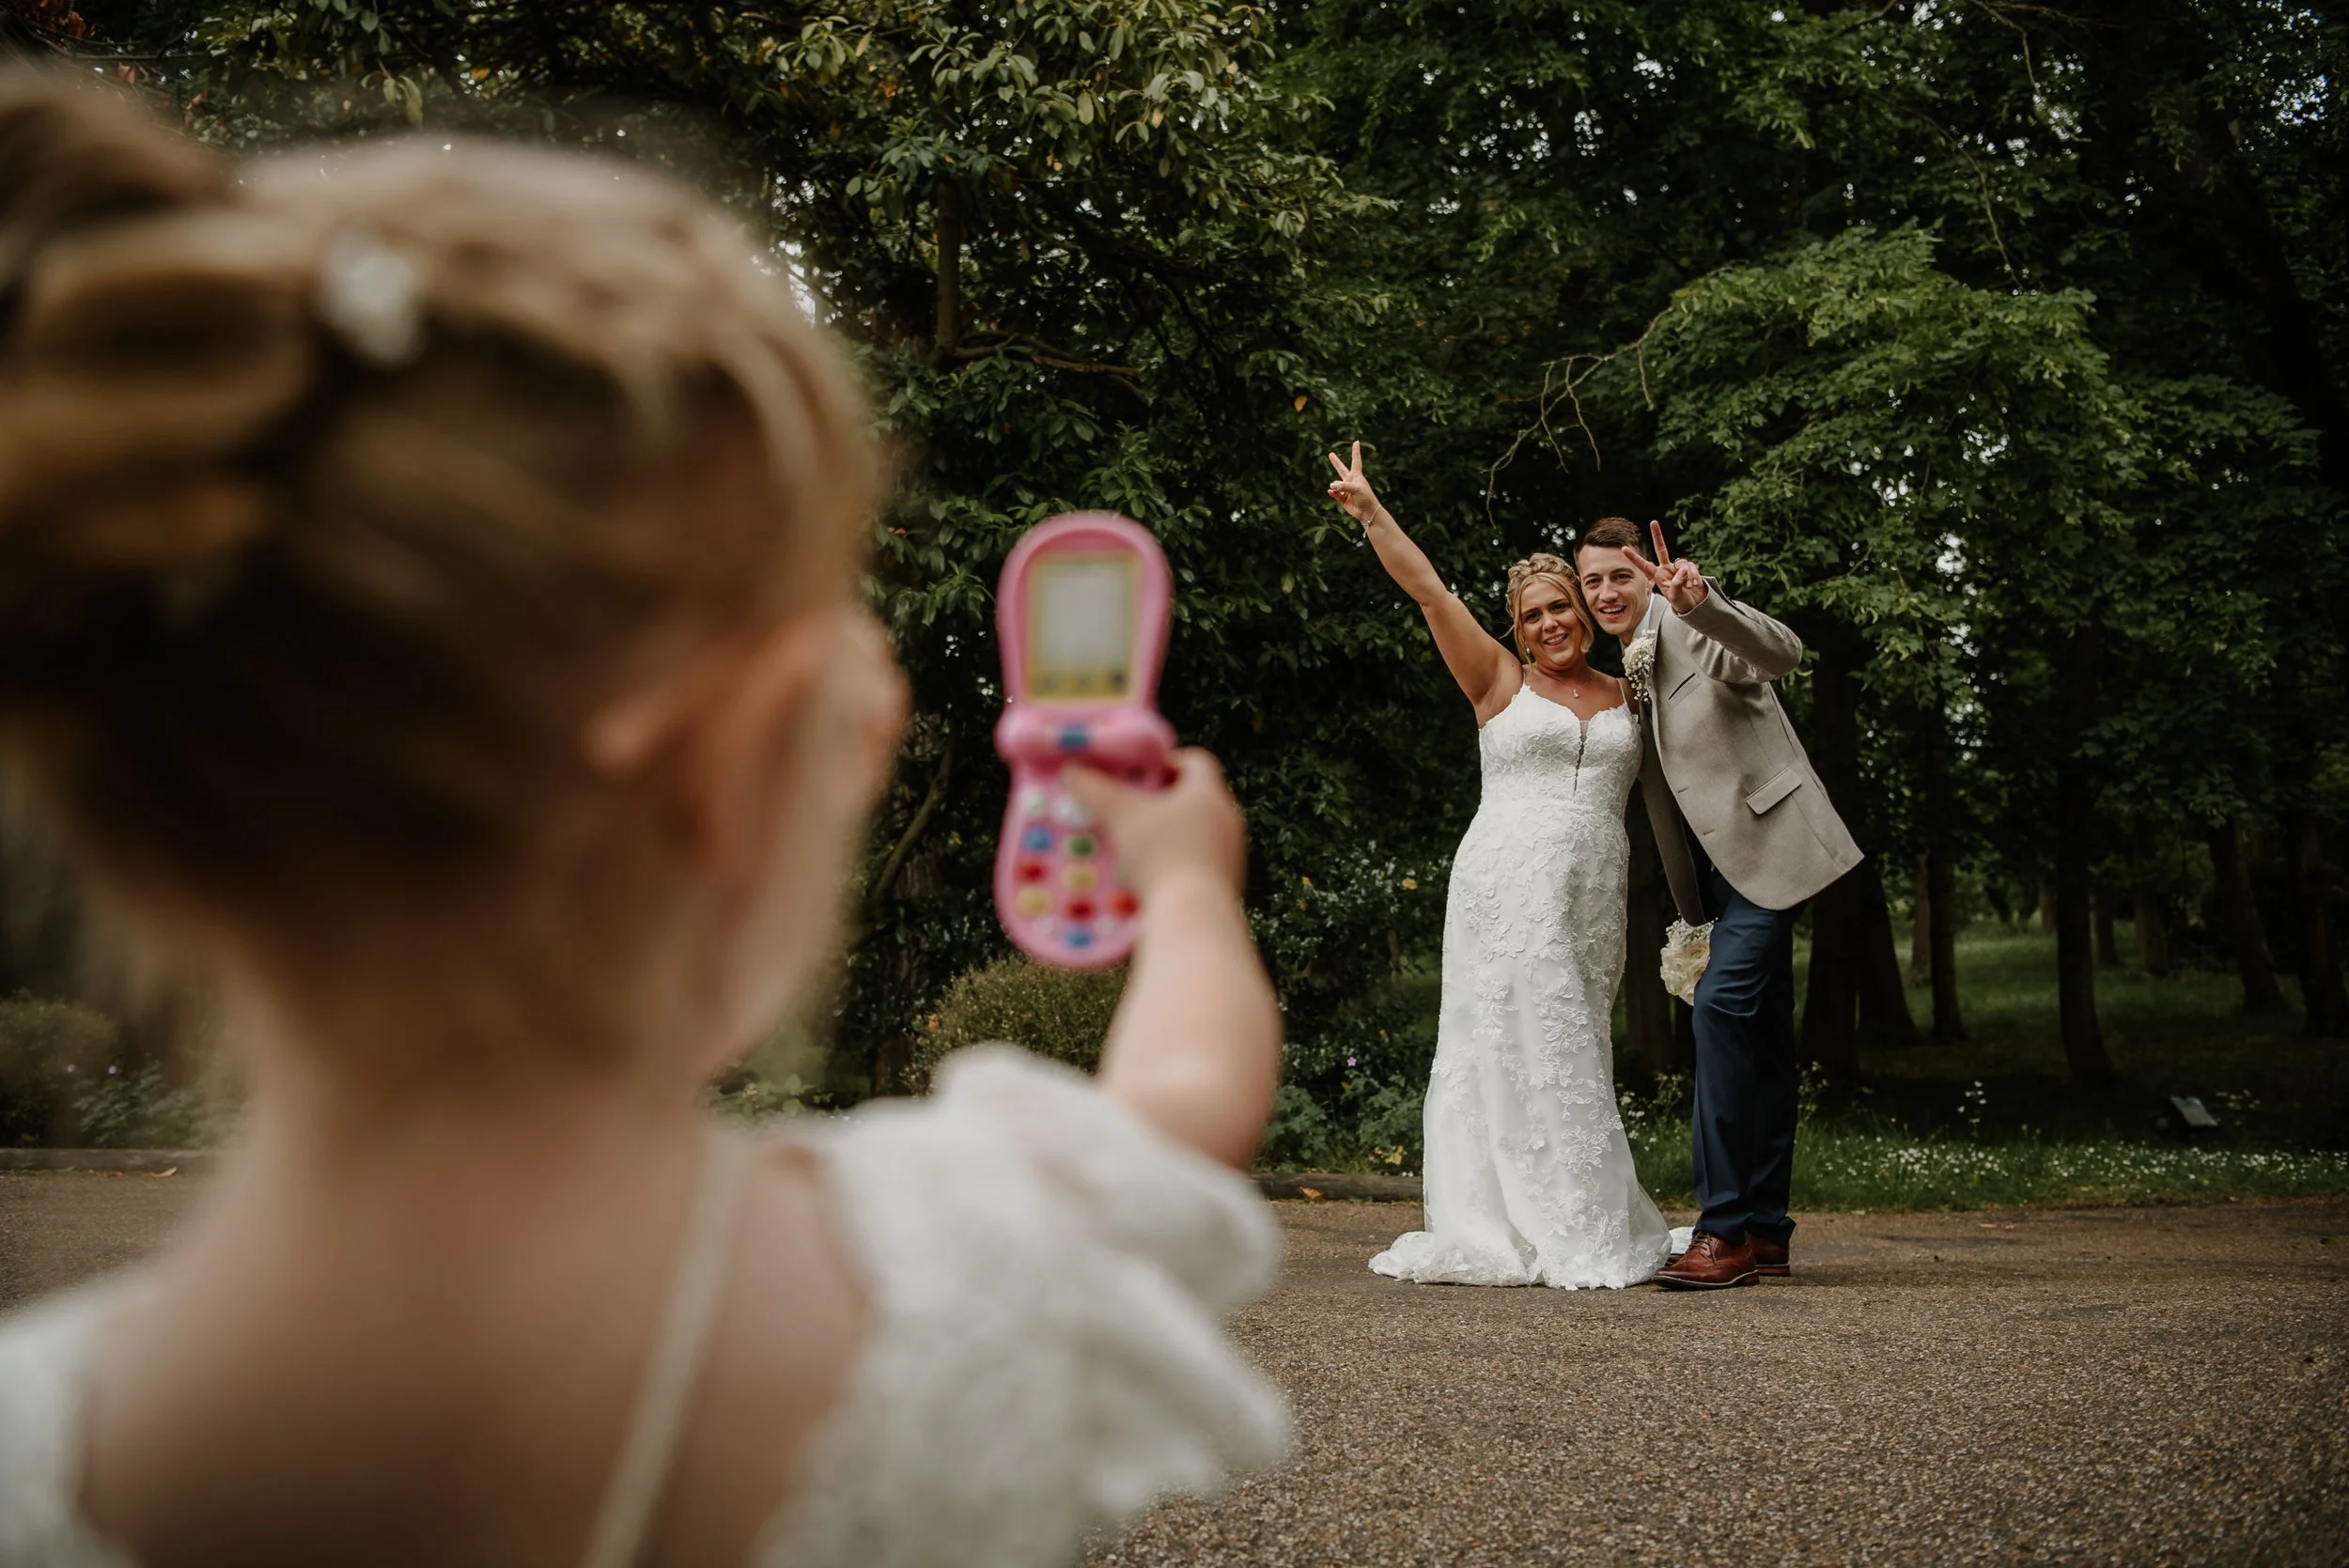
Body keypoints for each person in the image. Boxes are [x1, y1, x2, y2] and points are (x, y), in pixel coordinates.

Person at [0, 70, 1287, 1566]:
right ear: (725, 768)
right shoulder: (946, 1281)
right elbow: (1185, 1112)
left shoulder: (34, 1441)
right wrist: (1186, 885)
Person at [1323, 444, 1673, 1289]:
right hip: (1505, 885)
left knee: (1572, 1040)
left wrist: (1669, 590)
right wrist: (1373, 513)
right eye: (1531, 615)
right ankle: (1517, 1219)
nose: (1549, 623)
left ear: (1585, 611)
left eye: (1561, 606)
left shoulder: (1634, 686)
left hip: (1592, 893)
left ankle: (1583, 1206)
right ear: (1515, 628)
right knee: (1506, 1040)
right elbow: (1430, 590)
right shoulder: (1498, 681)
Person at [1575, 516, 1862, 1290]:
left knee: (1720, 1009)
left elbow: (1782, 653)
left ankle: (1722, 1230)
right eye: (1592, 579)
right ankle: (1768, 1229)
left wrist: (1703, 602)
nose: (1605, 591)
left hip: (1770, 847)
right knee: (1763, 1039)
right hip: (1712, 879)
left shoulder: (1691, 622)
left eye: (1619, 575)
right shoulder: (1629, 661)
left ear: (1647, 575)